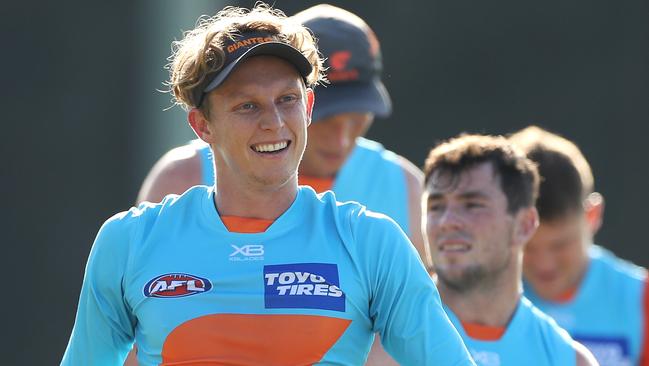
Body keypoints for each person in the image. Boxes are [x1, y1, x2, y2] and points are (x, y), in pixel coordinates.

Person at [61, 4, 475, 365]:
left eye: (287, 100)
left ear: (309, 106)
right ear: (202, 124)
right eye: (247, 106)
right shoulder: (129, 240)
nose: (273, 122)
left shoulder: (372, 242)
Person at [137, 4, 431, 270]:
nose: (341, 139)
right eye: (327, 119)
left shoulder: (407, 188)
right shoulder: (179, 179)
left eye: (357, 116)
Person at [420, 134, 598, 365]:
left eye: (472, 204)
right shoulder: (378, 340)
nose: (447, 221)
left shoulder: (570, 360)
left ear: (524, 224)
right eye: (436, 206)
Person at [510, 126, 649, 366]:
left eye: (560, 245)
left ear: (592, 215)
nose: (545, 262)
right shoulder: (472, 298)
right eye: (527, 246)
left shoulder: (640, 299)